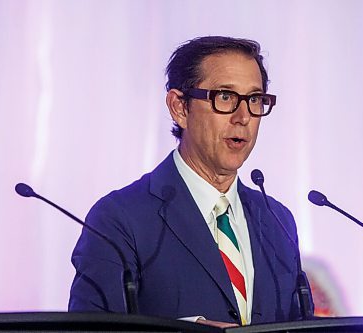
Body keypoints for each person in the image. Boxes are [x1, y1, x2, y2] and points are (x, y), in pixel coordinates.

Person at [69, 36, 312, 328]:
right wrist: (185, 330)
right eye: (225, 97)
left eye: (255, 99)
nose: (243, 116)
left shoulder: (277, 221)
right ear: (179, 108)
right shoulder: (119, 219)